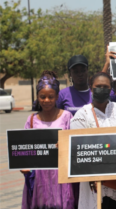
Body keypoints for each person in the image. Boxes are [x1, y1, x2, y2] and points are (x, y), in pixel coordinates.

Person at [70, 72, 116, 209]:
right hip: (94, 185)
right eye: (98, 86)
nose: (102, 89)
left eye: (106, 87)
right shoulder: (82, 115)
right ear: (91, 88)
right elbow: (78, 151)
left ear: (111, 89)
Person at [21, 73, 77, 209]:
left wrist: (65, 145)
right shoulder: (32, 120)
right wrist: (23, 166)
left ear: (57, 97)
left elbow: (75, 144)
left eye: (51, 97)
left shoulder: (66, 117)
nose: (46, 100)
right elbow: (23, 148)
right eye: (42, 97)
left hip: (61, 175)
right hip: (40, 176)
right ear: (37, 97)